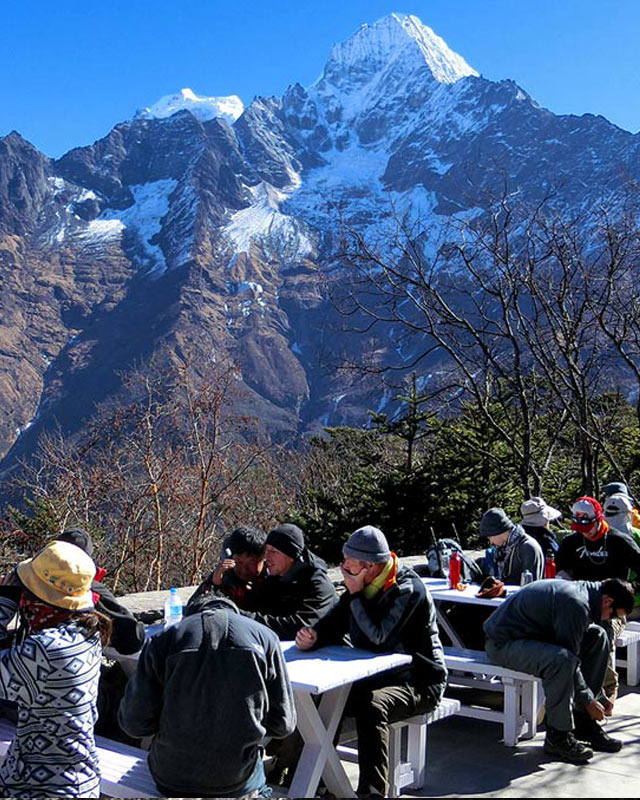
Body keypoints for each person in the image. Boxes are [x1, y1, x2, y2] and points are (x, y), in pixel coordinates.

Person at [296, 525, 447, 798]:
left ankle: (372, 792)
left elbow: (380, 639)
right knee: (324, 698)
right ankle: (319, 782)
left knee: (371, 706)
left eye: (349, 567)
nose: (344, 570)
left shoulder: (408, 590)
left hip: (420, 680)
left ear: (371, 567)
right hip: (379, 677)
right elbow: (336, 620)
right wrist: (313, 636)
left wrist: (354, 595)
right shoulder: (361, 584)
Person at [118, 593, 296, 798]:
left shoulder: (162, 640)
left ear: (189, 614)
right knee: (262, 788)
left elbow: (134, 724)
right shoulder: (266, 638)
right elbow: (284, 725)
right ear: (233, 610)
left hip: (171, 777)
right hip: (238, 777)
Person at [0, 540, 111, 798]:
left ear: (40, 598)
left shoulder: (47, 649)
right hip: (75, 778)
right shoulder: (87, 631)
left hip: (43, 789)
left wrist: (5, 600)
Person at [485, 577, 633, 762]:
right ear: (607, 601)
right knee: (560, 661)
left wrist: (597, 698)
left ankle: (583, 721)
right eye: (613, 615)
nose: (610, 619)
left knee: (598, 636)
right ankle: (558, 735)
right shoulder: (576, 604)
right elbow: (569, 660)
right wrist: (588, 699)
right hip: (504, 643)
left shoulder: (586, 595)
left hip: (533, 637)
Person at [556, 496, 640, 703]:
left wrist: (630, 590)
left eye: (588, 526)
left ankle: (606, 689)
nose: (584, 531)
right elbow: (560, 570)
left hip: (613, 605)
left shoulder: (618, 540)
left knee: (603, 631)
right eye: (579, 526)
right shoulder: (571, 542)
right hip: (579, 601)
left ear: (599, 519)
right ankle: (566, 686)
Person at [241, 523, 337, 639]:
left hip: (333, 651)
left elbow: (301, 628)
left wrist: (249, 619)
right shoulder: (275, 579)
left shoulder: (318, 585)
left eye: (274, 552)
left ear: (291, 555)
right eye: (266, 550)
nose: (267, 557)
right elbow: (256, 606)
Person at [186, 525, 267, 611]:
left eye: (251, 563)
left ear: (264, 558)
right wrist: (214, 585)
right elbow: (193, 607)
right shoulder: (225, 574)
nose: (244, 569)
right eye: (239, 562)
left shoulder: (272, 579)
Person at [480, 508, 544, 584]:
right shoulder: (505, 547)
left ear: (497, 532)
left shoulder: (527, 547)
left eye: (489, 537)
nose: (491, 542)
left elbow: (532, 585)